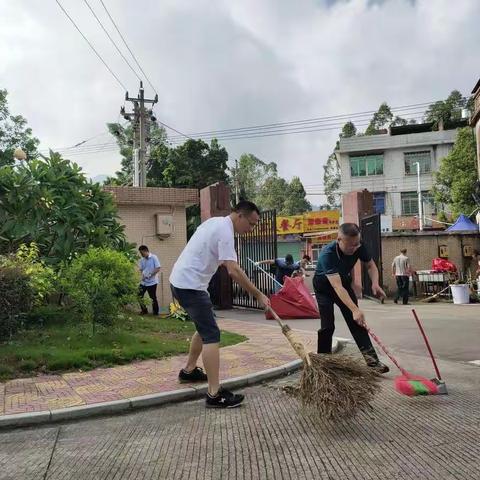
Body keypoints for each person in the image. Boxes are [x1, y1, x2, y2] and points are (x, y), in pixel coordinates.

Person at [170, 201, 270, 409]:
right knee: (212, 335)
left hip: (182, 282)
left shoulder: (215, 222)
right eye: (251, 224)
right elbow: (233, 270)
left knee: (205, 327)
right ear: (239, 216)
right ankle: (214, 394)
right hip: (190, 286)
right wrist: (258, 295)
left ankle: (188, 371)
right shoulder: (225, 232)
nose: (250, 229)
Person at [313, 223, 389, 373]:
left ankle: (373, 363)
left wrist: (375, 283)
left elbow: (370, 266)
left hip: (343, 283)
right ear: (339, 239)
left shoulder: (359, 245)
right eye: (350, 246)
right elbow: (337, 287)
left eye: (356, 244)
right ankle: (323, 362)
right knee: (328, 326)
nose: (354, 248)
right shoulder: (327, 254)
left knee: (357, 324)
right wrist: (354, 309)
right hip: (325, 288)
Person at [138, 245, 161, 315]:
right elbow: (141, 269)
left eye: (142, 253)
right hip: (144, 282)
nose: (141, 255)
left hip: (152, 282)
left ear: (146, 251)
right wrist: (142, 275)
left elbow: (158, 268)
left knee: (153, 297)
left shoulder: (154, 257)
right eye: (140, 253)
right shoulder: (142, 259)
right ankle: (144, 310)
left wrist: (150, 275)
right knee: (138, 295)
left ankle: (155, 313)